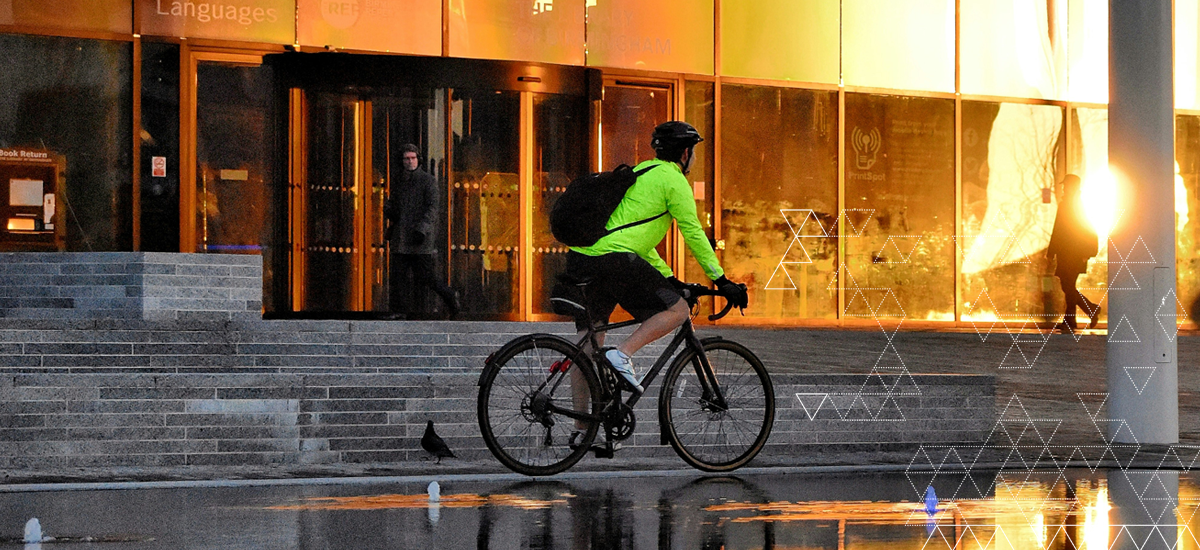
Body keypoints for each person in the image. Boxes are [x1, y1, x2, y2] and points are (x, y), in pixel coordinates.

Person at [553, 121, 747, 394]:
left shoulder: (640, 171)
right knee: (678, 310)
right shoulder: (673, 180)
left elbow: (637, 239)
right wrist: (721, 279)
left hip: (584, 258)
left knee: (586, 347)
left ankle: (582, 432)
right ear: (685, 153)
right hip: (614, 260)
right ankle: (622, 354)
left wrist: (669, 277)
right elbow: (692, 232)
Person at [384, 143, 459, 319]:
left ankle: (450, 296)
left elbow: (432, 208)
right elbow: (391, 202)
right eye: (406, 158)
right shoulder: (399, 180)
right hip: (401, 236)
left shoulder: (428, 181)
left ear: (418, 160)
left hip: (419, 239)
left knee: (426, 276)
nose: (410, 162)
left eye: (412, 158)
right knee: (398, 276)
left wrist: (422, 229)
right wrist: (389, 210)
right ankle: (399, 310)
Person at [1046, 174, 1101, 332]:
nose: (1063, 188)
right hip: (1069, 254)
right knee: (1068, 286)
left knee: (1068, 286)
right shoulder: (1073, 204)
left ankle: (1073, 320)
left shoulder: (1074, 205)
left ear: (1072, 187)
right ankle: (1087, 312)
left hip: (1073, 255)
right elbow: (1059, 231)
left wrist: (1088, 251)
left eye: (1066, 185)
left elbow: (1084, 230)